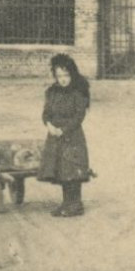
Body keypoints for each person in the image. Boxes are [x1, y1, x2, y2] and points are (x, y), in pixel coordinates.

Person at [37, 53, 93, 218]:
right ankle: (66, 202)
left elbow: (79, 116)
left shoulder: (78, 92)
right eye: (59, 75)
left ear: (72, 74)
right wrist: (49, 125)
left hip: (72, 136)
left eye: (66, 75)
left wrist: (64, 129)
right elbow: (46, 113)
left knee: (72, 170)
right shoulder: (52, 92)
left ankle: (76, 204)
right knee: (61, 170)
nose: (62, 79)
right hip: (55, 136)